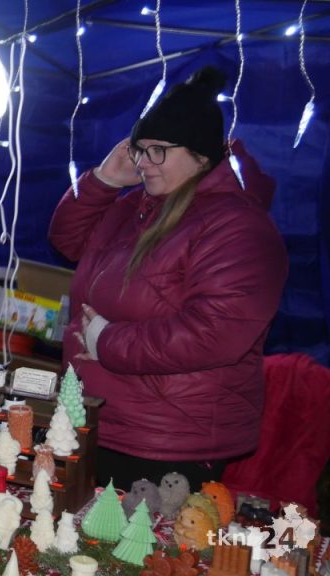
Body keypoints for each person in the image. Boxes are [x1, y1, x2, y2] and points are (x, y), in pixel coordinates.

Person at [48, 66, 287, 490]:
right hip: (100, 416)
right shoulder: (135, 208)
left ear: (201, 156)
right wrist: (104, 180)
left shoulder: (238, 227)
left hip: (168, 440)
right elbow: (67, 240)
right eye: (139, 149)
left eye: (158, 150)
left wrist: (107, 341)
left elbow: (215, 333)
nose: (143, 162)